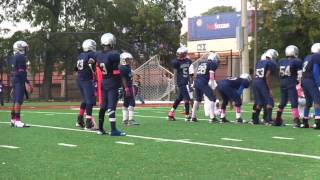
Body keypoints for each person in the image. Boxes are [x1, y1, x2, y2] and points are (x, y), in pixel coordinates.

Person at [96, 33, 126, 136]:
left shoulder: (98, 54)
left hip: (104, 82)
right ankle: (113, 130)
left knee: (103, 106)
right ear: (111, 42)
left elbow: (93, 62)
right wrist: (121, 84)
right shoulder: (114, 54)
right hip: (112, 82)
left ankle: (100, 129)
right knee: (112, 106)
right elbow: (116, 72)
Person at [273, 45, 303, 127]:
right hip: (291, 82)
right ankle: (296, 120)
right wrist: (299, 83)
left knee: (283, 102)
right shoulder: (297, 61)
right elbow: (300, 74)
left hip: (283, 82)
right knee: (294, 102)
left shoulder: (282, 61)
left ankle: (278, 119)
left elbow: (279, 73)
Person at [75, 39, 98, 130]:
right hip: (86, 80)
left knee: (85, 100)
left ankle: (79, 120)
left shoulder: (80, 55)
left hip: (79, 79)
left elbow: (76, 68)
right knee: (90, 101)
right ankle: (88, 123)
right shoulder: (91, 54)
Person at [191, 52, 220, 123]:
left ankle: (193, 117)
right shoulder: (212, 63)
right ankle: (212, 118)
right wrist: (212, 83)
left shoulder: (202, 62)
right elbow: (211, 75)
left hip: (197, 81)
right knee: (212, 98)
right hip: (203, 82)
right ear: (214, 59)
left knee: (197, 99)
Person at [251, 49, 278, 125]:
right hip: (262, 82)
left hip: (255, 82)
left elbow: (254, 74)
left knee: (259, 102)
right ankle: (268, 120)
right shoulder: (270, 63)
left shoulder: (258, 62)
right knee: (270, 101)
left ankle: (255, 119)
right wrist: (270, 89)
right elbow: (267, 75)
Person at [10, 40, 32, 127]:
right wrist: (26, 83)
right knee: (18, 100)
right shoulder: (21, 57)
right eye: (24, 48)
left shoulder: (14, 57)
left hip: (15, 78)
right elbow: (21, 71)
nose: (26, 50)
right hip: (19, 79)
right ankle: (18, 121)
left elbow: (16, 71)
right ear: (20, 48)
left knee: (15, 100)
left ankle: (13, 119)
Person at [167, 46, 193, 121]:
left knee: (179, 99)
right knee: (187, 99)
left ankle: (170, 114)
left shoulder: (188, 61)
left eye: (180, 53)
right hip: (181, 82)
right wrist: (175, 85)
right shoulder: (176, 62)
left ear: (184, 53)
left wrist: (190, 83)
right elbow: (175, 74)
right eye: (178, 53)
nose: (178, 55)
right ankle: (187, 116)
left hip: (186, 82)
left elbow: (189, 73)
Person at [301, 43, 320, 129]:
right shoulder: (317, 56)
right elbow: (315, 70)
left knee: (308, 102)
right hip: (311, 80)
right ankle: (318, 122)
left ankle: (304, 122)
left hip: (304, 80)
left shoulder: (307, 57)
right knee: (317, 101)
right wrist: (318, 83)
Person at [119, 52, 140, 125]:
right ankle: (130, 120)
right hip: (127, 86)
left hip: (127, 86)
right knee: (132, 102)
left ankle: (125, 119)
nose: (130, 61)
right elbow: (123, 78)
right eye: (128, 59)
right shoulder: (123, 68)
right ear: (124, 60)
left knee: (126, 102)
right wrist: (126, 88)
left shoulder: (126, 67)